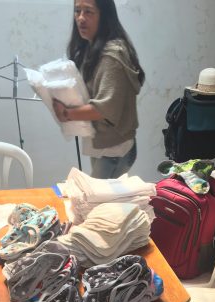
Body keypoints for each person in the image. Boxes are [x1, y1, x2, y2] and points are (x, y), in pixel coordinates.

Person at [52, 0, 145, 179]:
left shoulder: (112, 55)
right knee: (104, 203)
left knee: (101, 205)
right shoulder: (93, 48)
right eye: (77, 11)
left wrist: (67, 113)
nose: (80, 18)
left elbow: (104, 108)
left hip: (113, 152)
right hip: (105, 147)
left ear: (104, 16)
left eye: (88, 12)